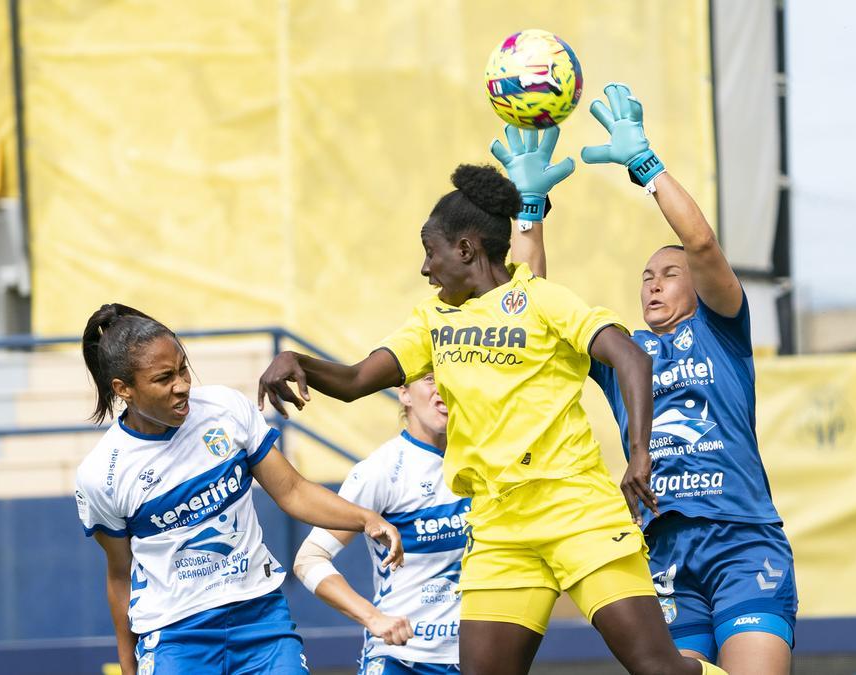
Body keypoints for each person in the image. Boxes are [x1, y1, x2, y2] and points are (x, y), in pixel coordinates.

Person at [258, 158, 727, 675]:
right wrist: (297, 362)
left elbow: (631, 357)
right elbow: (354, 382)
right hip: (500, 525)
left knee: (658, 668)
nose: (424, 269)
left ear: (466, 249)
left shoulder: (542, 301)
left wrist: (639, 455)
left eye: (429, 253)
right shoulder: (432, 322)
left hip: (576, 510)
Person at [497, 83, 798, 674]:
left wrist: (646, 166)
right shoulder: (624, 351)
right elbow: (530, 303)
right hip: (662, 550)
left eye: (668, 273)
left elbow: (703, 243)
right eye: (645, 276)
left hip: (741, 541)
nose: (653, 283)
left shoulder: (721, 331)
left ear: (697, 286)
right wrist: (527, 213)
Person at [74, 303, 404, 675]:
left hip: (261, 619)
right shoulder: (102, 473)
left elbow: (293, 491)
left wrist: (365, 518)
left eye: (183, 369)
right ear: (124, 389)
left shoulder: (225, 409)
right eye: (164, 378)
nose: (182, 385)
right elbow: (119, 574)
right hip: (176, 637)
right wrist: (128, 665)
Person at [292, 373, 466, 674]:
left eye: (451, 374)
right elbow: (309, 560)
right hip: (401, 659)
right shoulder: (381, 471)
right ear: (404, 393)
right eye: (429, 379)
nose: (443, 389)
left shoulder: (486, 461)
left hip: (475, 656)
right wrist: (373, 618)